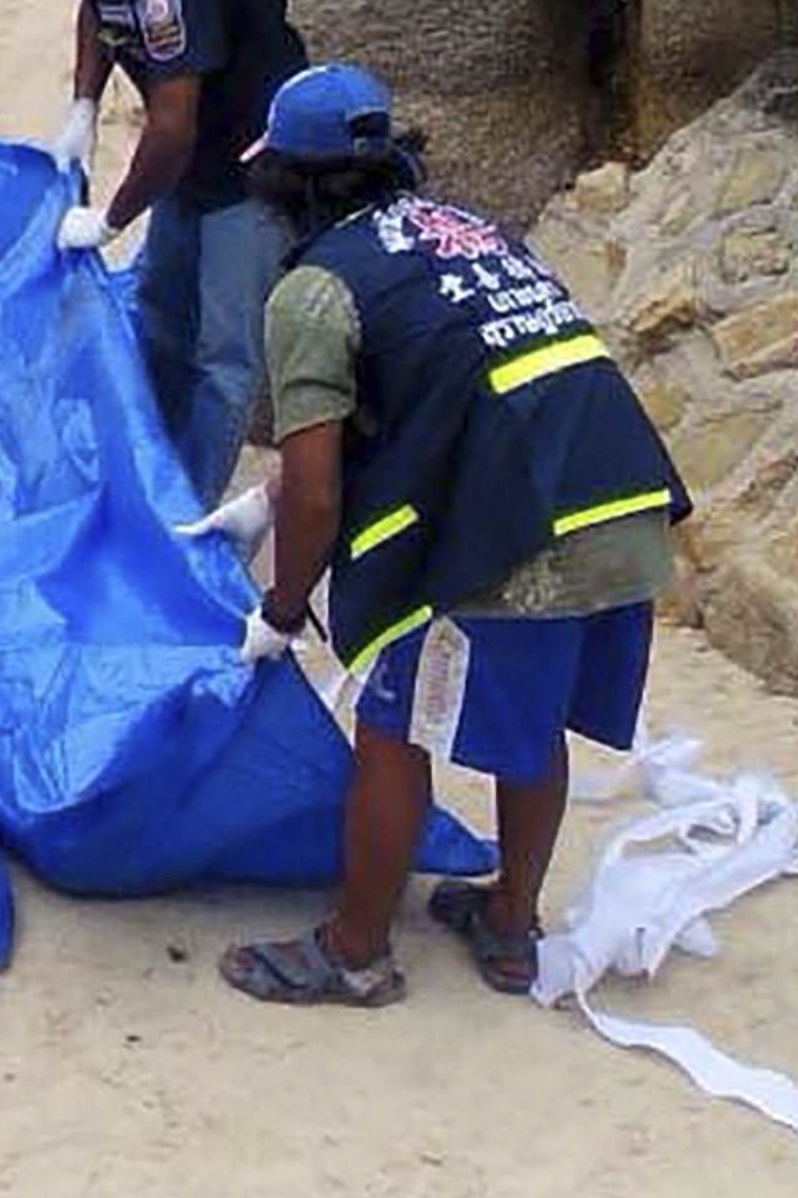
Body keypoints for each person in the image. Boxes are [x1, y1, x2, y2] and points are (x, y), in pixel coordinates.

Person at [191, 64, 684, 1007]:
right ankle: (509, 923)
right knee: (531, 722)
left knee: (391, 726)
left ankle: (355, 950)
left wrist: (283, 607)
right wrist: (270, 492)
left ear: (285, 186)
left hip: (521, 531)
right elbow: (448, 381)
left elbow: (321, 490)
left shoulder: (314, 290)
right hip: (622, 497)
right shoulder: (467, 229)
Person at [0, 0, 309, 504]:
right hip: (189, 163)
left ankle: (186, 507)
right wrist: (83, 104)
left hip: (248, 165)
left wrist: (113, 218)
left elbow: (172, 123)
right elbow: (98, 3)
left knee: (223, 355)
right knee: (158, 313)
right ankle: (145, 455)